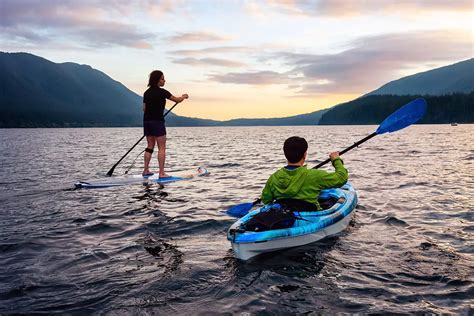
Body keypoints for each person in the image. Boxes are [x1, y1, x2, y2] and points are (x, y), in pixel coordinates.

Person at [261, 136, 348, 211]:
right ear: (305, 154)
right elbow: (341, 178)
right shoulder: (314, 175)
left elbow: (266, 199)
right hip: (310, 216)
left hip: (284, 214)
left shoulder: (274, 177)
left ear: (285, 154)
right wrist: (336, 160)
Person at [142, 70, 188, 178]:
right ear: (157, 80)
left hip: (147, 122)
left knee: (149, 146)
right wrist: (184, 96)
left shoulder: (146, 93)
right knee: (161, 147)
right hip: (158, 122)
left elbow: (144, 109)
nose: (164, 80)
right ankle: (162, 173)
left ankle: (145, 170)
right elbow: (177, 100)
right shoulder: (163, 92)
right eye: (162, 78)